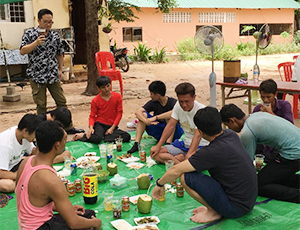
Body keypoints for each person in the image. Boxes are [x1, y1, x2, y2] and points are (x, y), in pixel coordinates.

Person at [152, 107, 257, 223]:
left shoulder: (211, 151)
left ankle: (213, 211)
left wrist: (159, 184)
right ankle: (214, 207)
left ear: (200, 132)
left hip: (235, 208)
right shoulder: (230, 134)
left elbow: (176, 170)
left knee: (186, 177)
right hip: (249, 201)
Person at [15, 121, 102, 230]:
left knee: (88, 214)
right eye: (65, 140)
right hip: (41, 227)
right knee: (89, 224)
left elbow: (34, 201)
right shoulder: (51, 180)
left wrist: (69, 209)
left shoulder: (26, 162)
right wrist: (97, 223)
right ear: (57, 145)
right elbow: (74, 223)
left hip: (26, 225)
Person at [220, 104, 300, 203]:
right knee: (272, 176)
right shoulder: (256, 115)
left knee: (257, 184)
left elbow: (247, 164)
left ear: (232, 120)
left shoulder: (247, 132)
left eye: (228, 125)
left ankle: (297, 196)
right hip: (295, 147)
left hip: (293, 154)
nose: (229, 128)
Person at [20, 9, 66, 115]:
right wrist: (35, 43)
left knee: (61, 101)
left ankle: (67, 126)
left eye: (50, 22)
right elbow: (22, 51)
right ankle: (42, 129)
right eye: (45, 22)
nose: (48, 24)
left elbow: (59, 53)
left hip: (52, 73)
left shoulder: (55, 36)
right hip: (37, 75)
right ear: (39, 21)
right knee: (41, 104)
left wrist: (60, 69)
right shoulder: (30, 34)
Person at [150, 82, 209, 164]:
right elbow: (170, 126)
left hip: (201, 146)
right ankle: (180, 162)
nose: (184, 105)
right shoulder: (178, 106)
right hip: (184, 144)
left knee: (194, 160)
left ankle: (178, 161)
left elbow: (197, 136)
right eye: (181, 101)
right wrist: (158, 146)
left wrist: (189, 155)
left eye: (187, 101)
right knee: (155, 153)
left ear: (194, 97)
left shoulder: (201, 110)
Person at [127, 80, 183, 153]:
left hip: (174, 133)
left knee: (170, 118)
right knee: (143, 115)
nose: (150, 96)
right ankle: (136, 144)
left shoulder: (172, 102)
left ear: (157, 96)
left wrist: (156, 117)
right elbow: (138, 112)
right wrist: (146, 121)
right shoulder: (153, 102)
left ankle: (168, 144)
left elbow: (175, 112)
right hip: (160, 131)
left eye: (151, 94)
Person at [73, 76, 130, 143]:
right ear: (99, 88)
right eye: (103, 87)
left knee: (127, 136)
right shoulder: (95, 100)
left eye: (108, 86)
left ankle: (104, 137)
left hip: (112, 125)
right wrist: (91, 128)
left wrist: (112, 128)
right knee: (97, 138)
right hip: (100, 124)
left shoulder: (117, 96)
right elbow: (92, 116)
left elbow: (119, 113)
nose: (106, 89)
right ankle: (84, 136)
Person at [0, 114, 41, 193]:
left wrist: (40, 142)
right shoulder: (6, 144)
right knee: (8, 185)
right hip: (3, 171)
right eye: (35, 134)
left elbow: (33, 153)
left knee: (35, 161)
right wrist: (18, 175)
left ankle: (23, 180)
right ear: (25, 131)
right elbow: (1, 172)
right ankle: (25, 181)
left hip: (12, 166)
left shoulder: (24, 136)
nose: (35, 137)